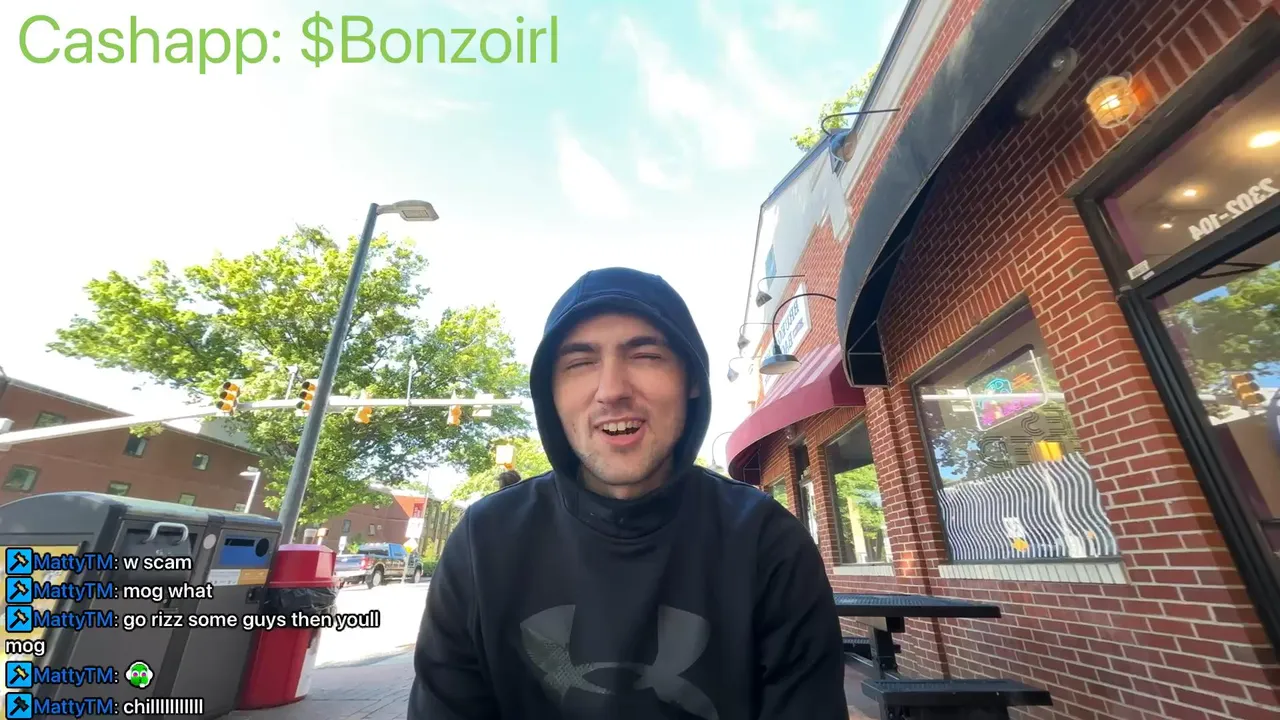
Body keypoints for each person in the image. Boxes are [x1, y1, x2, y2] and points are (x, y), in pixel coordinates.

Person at [408, 267, 845, 719]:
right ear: (550, 393)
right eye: (580, 363)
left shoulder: (766, 542)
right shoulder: (484, 544)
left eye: (645, 355)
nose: (612, 390)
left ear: (692, 380)